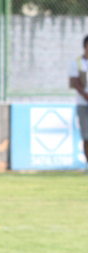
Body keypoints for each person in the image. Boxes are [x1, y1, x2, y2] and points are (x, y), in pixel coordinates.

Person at [68, 34, 88, 169]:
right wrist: (86, 96)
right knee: (86, 136)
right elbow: (75, 83)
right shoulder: (77, 62)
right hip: (83, 104)